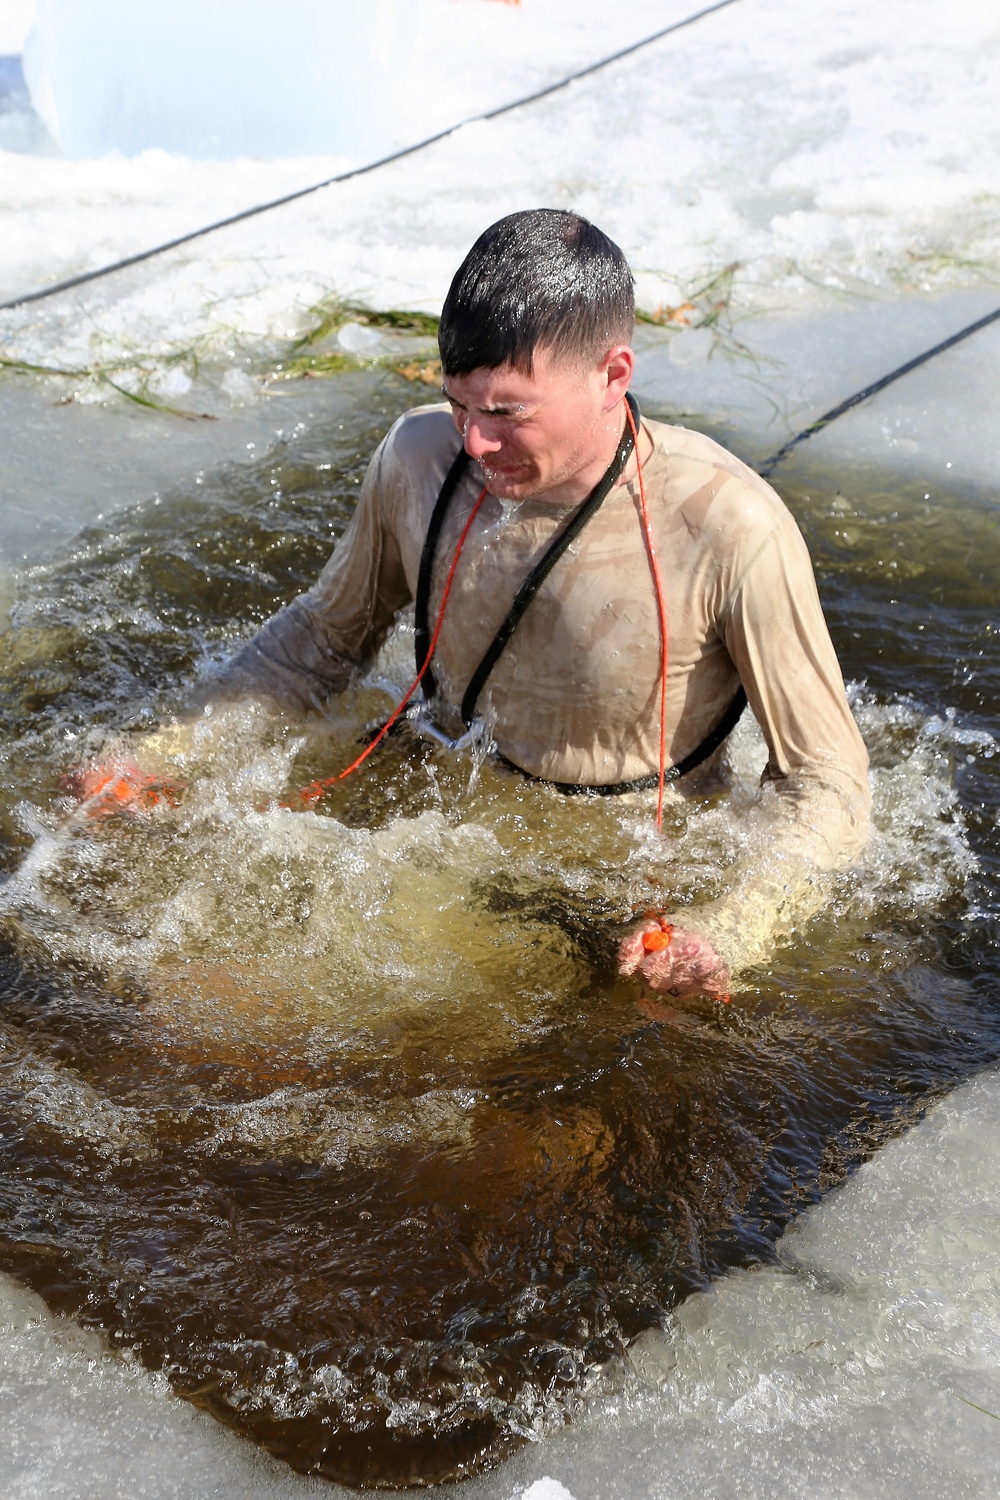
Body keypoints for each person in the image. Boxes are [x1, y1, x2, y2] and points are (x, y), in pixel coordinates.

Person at [99, 209, 872, 1002]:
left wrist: (733, 925)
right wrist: (165, 753)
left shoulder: (729, 528)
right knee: (169, 992)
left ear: (613, 375)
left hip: (616, 886)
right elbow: (322, 640)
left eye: (507, 413)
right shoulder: (417, 458)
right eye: (460, 405)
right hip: (422, 819)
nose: (473, 442)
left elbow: (828, 783)